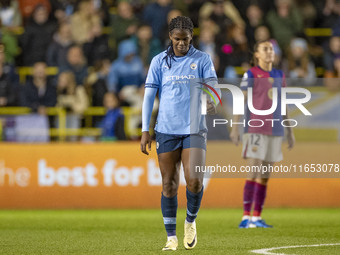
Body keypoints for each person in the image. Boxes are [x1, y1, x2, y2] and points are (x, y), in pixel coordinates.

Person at [140, 16, 219, 251]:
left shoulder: (202, 59)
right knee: (169, 184)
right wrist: (145, 129)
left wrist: (212, 100)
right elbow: (148, 96)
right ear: (170, 38)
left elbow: (214, 87)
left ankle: (191, 221)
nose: (181, 44)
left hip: (194, 128)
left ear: (191, 37)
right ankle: (171, 237)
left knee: (194, 181)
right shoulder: (159, 62)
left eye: (185, 39)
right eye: (177, 39)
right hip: (166, 129)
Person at [230, 40, 295, 228]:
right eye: (265, 49)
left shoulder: (279, 75)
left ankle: (257, 217)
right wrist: (235, 126)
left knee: (265, 175)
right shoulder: (251, 74)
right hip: (255, 128)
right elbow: (240, 100)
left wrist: (289, 131)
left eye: (271, 49)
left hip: (275, 129)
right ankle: (245, 217)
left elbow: (283, 105)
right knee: (253, 170)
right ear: (257, 54)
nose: (269, 52)